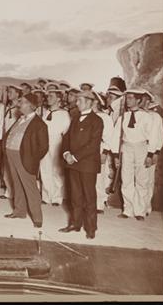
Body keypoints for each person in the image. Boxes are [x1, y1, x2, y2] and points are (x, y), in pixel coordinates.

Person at [59, 90, 104, 239]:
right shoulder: (75, 118)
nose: (76, 103)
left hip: (87, 165)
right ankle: (75, 223)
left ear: (89, 102)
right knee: (75, 195)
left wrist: (74, 157)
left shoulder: (97, 121)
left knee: (89, 197)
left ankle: (91, 228)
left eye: (79, 100)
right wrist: (66, 153)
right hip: (72, 163)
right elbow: (66, 138)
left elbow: (93, 145)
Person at [110, 89, 160, 221]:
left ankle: (140, 211)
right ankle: (128, 209)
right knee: (126, 179)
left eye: (131, 98)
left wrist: (150, 154)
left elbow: (153, 136)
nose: (128, 101)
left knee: (141, 180)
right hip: (126, 148)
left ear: (138, 100)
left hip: (141, 148)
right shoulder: (123, 117)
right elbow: (116, 137)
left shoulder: (147, 117)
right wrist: (116, 155)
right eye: (127, 98)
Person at [3, 93, 49, 228]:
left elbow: (43, 147)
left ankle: (37, 218)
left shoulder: (39, 124)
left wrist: (32, 159)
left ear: (31, 106)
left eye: (22, 102)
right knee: (16, 184)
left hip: (24, 158)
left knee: (30, 187)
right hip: (11, 154)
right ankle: (19, 211)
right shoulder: (20, 119)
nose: (19, 105)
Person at [39, 89, 71, 206]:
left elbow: (66, 131)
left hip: (57, 141)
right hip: (44, 141)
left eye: (51, 96)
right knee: (44, 168)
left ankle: (57, 197)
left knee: (57, 170)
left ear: (58, 99)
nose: (48, 98)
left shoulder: (64, 114)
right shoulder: (45, 112)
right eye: (48, 96)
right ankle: (46, 196)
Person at [141, 92, 163, 216]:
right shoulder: (136, 114)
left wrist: (156, 152)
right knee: (138, 178)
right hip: (137, 148)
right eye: (141, 99)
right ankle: (137, 206)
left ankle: (146, 206)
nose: (142, 101)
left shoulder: (155, 116)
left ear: (149, 101)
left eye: (145, 99)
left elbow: (159, 136)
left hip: (150, 149)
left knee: (148, 179)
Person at [92, 92, 115, 213]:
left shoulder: (105, 117)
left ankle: (98, 204)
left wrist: (105, 152)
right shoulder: (84, 116)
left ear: (96, 102)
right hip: (85, 149)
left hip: (99, 148)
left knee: (98, 177)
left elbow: (109, 137)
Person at [0, 85, 21, 199]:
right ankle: (9, 191)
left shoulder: (20, 108)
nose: (8, 94)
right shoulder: (7, 107)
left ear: (18, 94)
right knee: (6, 166)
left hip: (15, 140)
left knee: (14, 166)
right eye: (8, 92)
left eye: (11, 92)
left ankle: (17, 193)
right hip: (6, 139)